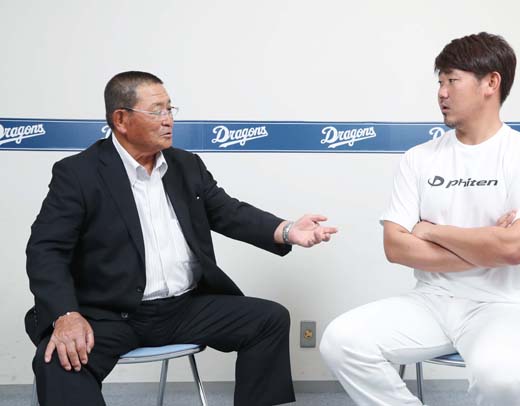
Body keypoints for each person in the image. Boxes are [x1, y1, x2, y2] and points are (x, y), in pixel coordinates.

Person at [25, 70, 338, 406]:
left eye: (170, 109)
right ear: (121, 119)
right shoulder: (79, 173)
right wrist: (66, 315)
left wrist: (288, 230)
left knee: (269, 320)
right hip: (110, 314)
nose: (168, 120)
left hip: (183, 309)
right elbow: (46, 250)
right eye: (157, 111)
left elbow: (228, 212)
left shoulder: (186, 165)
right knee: (58, 360)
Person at [320, 32, 520, 406]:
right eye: (440, 82)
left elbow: (514, 249)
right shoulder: (418, 158)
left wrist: (432, 231)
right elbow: (396, 247)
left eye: (452, 80)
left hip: (508, 304)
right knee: (341, 340)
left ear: (491, 83)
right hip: (433, 301)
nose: (442, 93)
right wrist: (487, 243)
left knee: (502, 381)